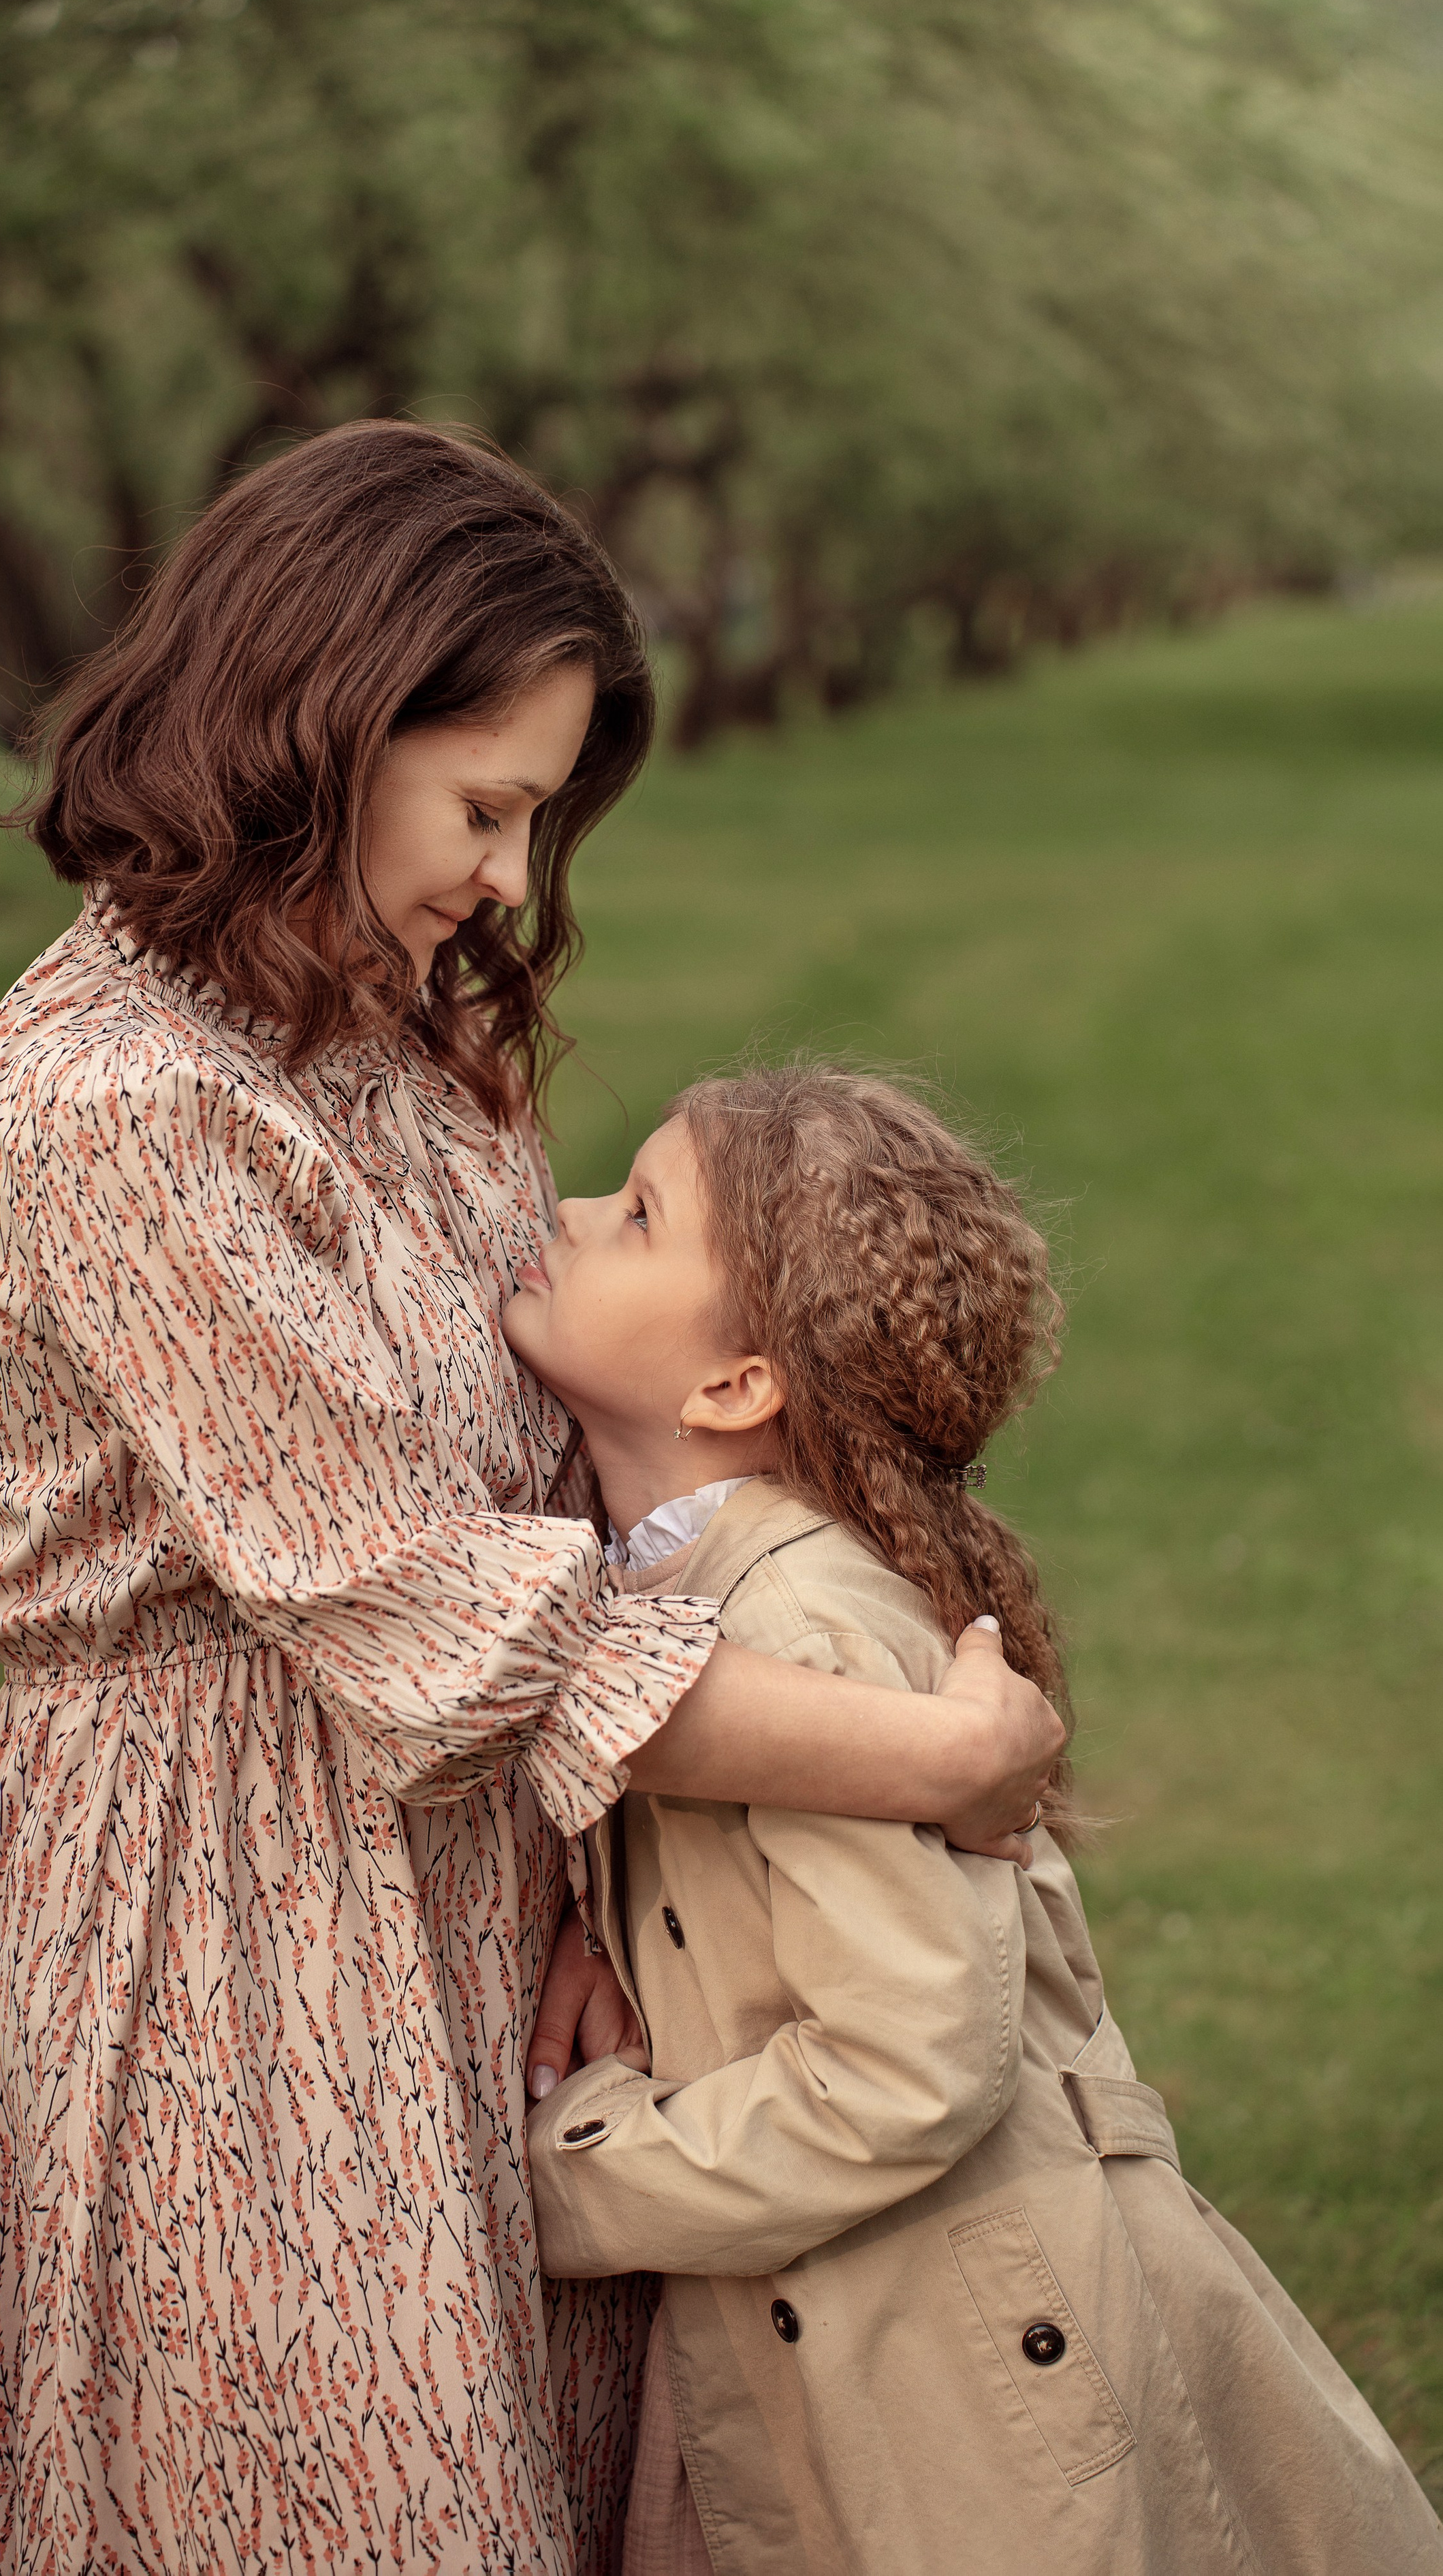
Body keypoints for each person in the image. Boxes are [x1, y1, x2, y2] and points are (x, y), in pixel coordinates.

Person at [0, 422, 1064, 2575]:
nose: (516, 885)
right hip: (240, 1918)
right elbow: (433, 1612)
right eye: (488, 808)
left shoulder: (374, 1026)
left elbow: (535, 1479)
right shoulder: (122, 1107)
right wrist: (944, 1760)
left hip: (477, 1870)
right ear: (321, 726)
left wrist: (579, 1896)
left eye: (538, 821)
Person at [515, 1065, 1443, 2575]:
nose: (563, 1210)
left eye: (636, 1216)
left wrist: (564, 2181)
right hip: (878, 2344)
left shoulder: (795, 1630)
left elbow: (907, 2063)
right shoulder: (696, 1590)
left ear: (735, 1387)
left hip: (968, 2384)